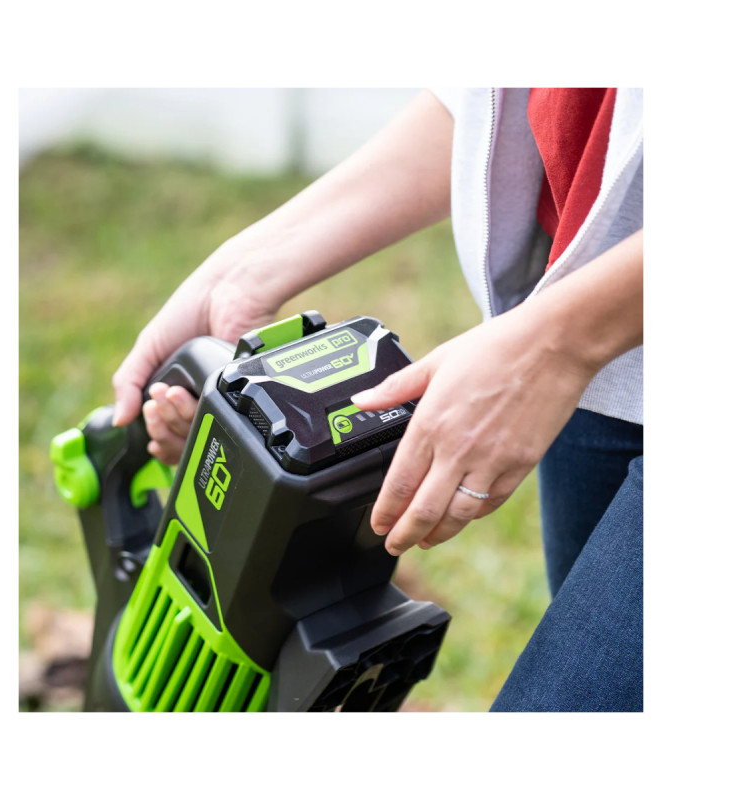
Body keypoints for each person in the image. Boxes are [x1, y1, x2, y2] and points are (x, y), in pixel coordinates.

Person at [111, 88, 643, 712]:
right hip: (604, 352)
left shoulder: (554, 349)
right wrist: (236, 278)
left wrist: (552, 346)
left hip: (579, 336)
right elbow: (520, 95)